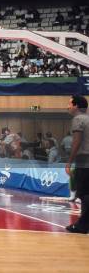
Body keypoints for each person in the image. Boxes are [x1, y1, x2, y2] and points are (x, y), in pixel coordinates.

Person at [65, 94, 89, 234]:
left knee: (84, 194)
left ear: (76, 106)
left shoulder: (78, 119)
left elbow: (77, 142)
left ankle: (82, 225)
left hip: (84, 162)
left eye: (69, 103)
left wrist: (69, 162)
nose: (67, 106)